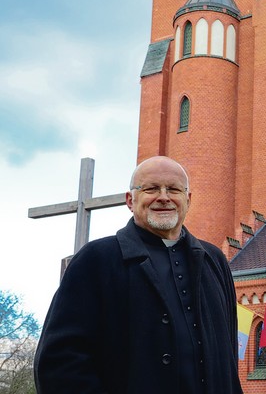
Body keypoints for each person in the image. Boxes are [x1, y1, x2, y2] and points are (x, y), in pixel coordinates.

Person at [34, 156, 243, 393]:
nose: (164, 197)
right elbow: (60, 362)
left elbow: (229, 357)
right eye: (151, 188)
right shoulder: (97, 259)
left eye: (173, 189)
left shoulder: (213, 260)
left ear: (188, 199)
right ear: (130, 200)